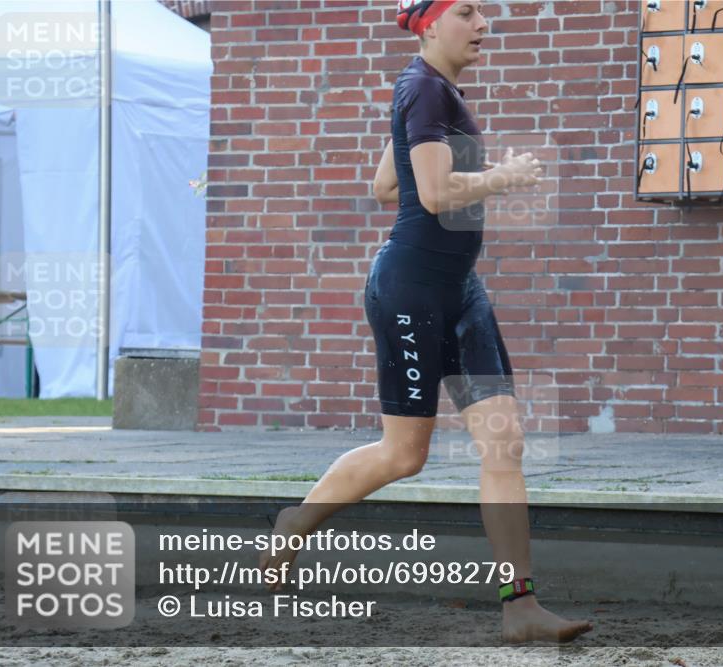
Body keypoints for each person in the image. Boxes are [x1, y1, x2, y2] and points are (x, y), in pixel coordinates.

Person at [260, 0, 593, 644]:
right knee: (403, 455)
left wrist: (447, 164)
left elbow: (387, 187)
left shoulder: (431, 94)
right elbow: (435, 197)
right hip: (411, 290)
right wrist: (504, 176)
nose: (483, 25)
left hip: (459, 289)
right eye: (467, 12)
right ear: (430, 25)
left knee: (504, 440)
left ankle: (519, 605)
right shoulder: (421, 88)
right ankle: (293, 524)